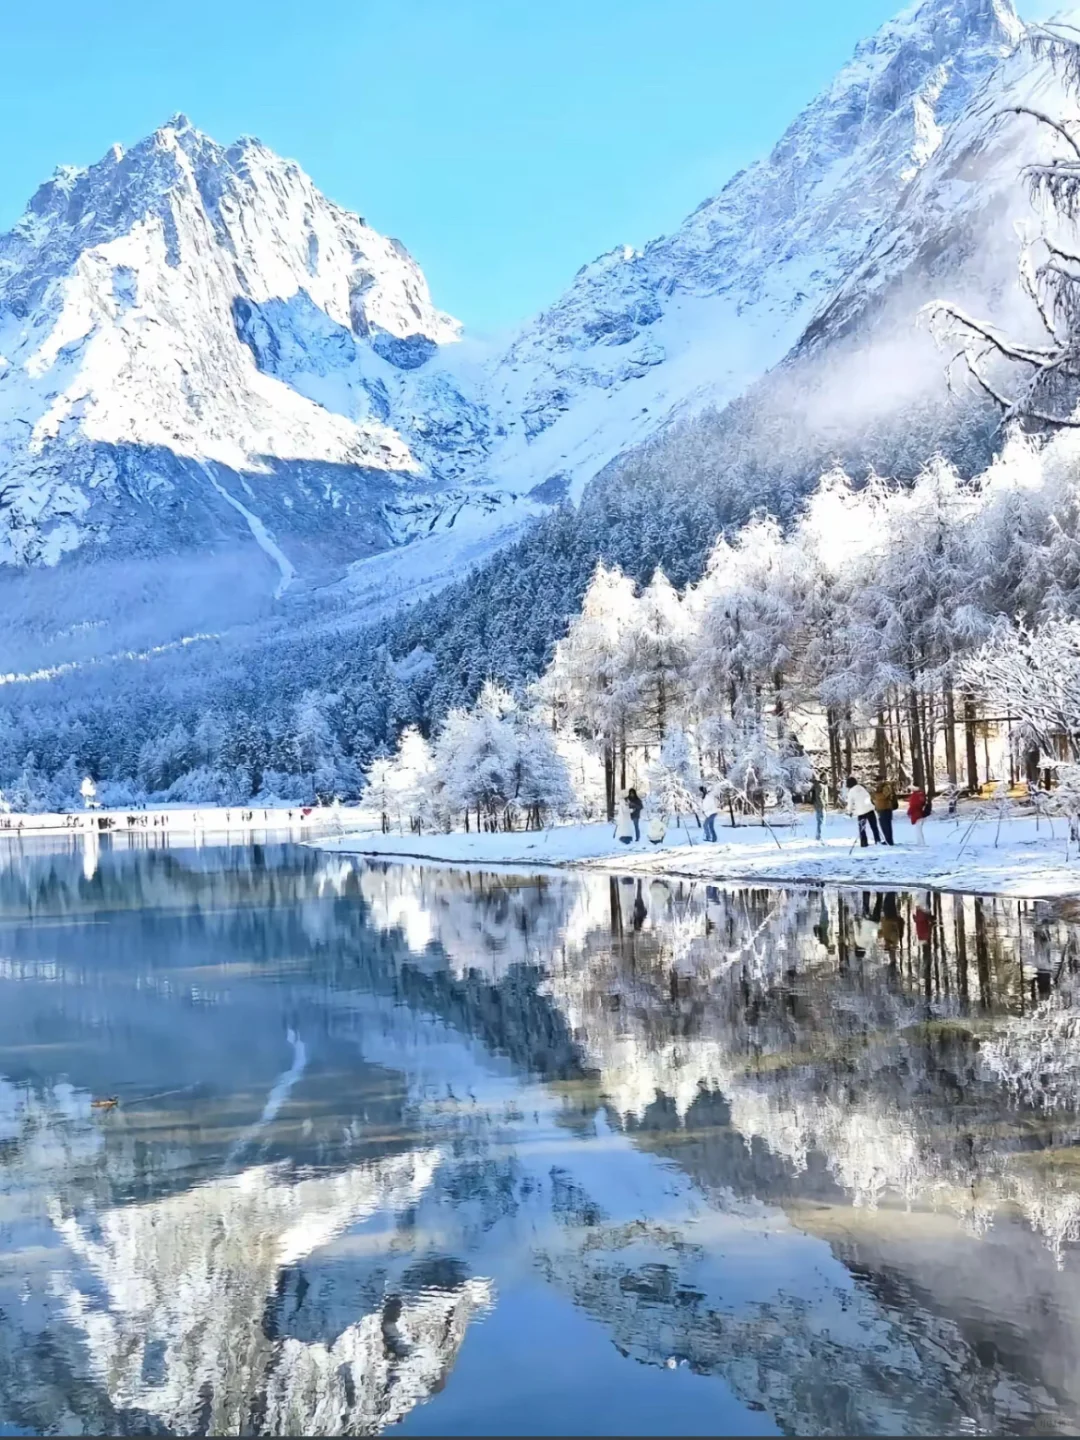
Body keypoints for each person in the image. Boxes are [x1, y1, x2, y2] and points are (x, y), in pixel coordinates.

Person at [846, 776, 880, 846]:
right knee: (874, 826)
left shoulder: (851, 792)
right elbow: (868, 796)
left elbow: (850, 803)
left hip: (861, 811)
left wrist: (849, 812)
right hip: (870, 809)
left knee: (862, 828)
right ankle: (877, 840)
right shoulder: (862, 788)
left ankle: (864, 842)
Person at [871, 776, 898, 846]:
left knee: (887, 825)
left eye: (878, 781)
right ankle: (887, 839)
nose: (877, 782)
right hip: (880, 808)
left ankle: (889, 840)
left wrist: (875, 795)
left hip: (886, 808)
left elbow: (884, 796)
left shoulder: (886, 786)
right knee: (883, 825)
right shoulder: (878, 788)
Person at [809, 774, 825, 841]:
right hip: (820, 805)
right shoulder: (820, 785)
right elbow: (819, 796)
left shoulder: (815, 785)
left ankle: (818, 835)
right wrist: (823, 804)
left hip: (817, 805)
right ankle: (819, 835)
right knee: (821, 821)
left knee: (819, 821)